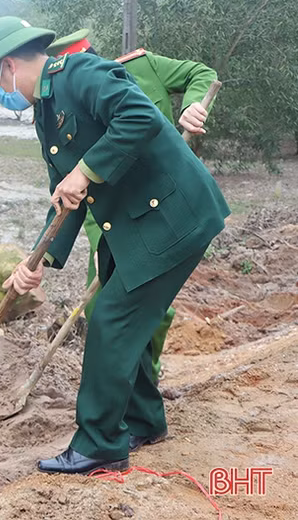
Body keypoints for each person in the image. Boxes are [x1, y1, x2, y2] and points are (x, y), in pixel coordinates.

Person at [0, 17, 230, 474]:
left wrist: (86, 171)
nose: (0, 93)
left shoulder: (81, 74)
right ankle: (143, 420)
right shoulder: (46, 113)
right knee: (116, 317)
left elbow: (140, 116)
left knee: (112, 320)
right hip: (134, 223)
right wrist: (39, 261)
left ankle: (99, 446)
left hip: (173, 217)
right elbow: (64, 196)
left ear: (9, 65)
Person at [46, 29, 219, 385]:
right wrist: (97, 246)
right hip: (116, 218)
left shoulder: (142, 67)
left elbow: (201, 74)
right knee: (103, 310)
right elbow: (79, 182)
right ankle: (130, 396)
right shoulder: (70, 106)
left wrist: (193, 106)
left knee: (149, 310)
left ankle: (146, 385)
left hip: (169, 209)